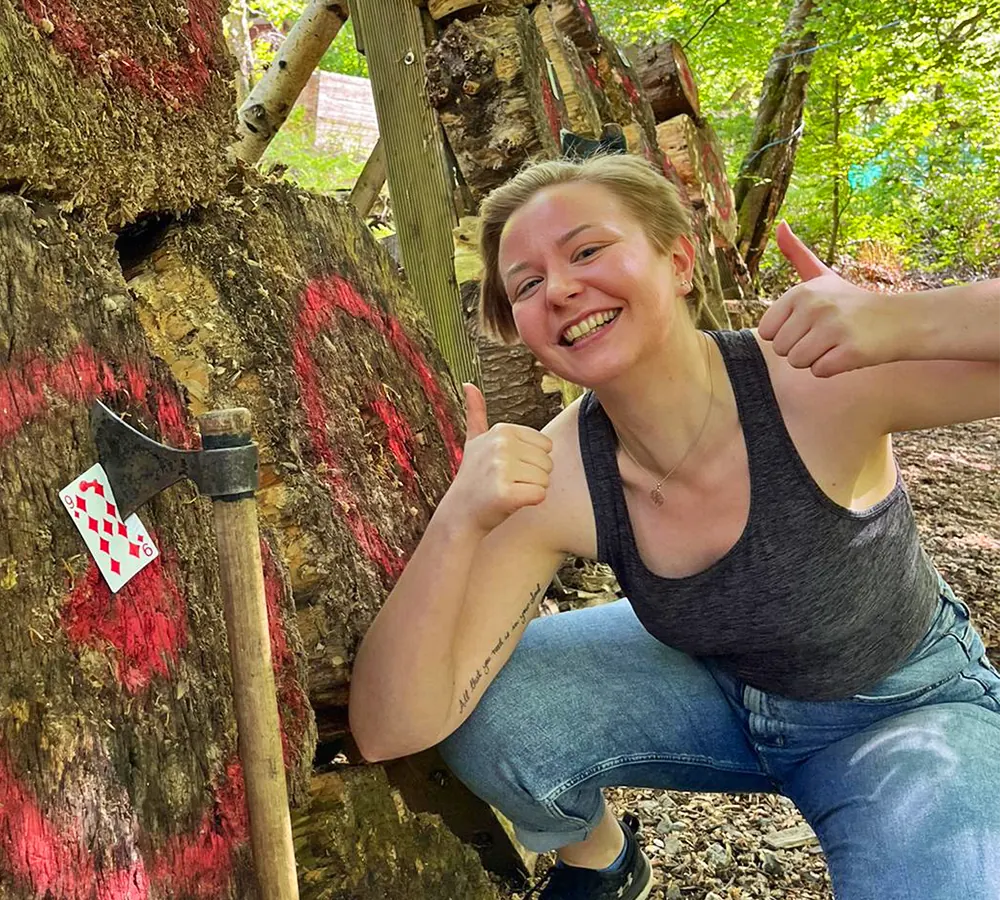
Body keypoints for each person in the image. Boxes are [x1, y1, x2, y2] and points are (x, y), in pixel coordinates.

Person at [347, 153, 1000, 900]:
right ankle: (602, 863)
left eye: (587, 250)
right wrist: (457, 522)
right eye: (526, 284)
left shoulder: (814, 381)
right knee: (487, 709)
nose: (559, 288)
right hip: (720, 691)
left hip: (905, 710)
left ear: (680, 260)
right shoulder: (560, 474)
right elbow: (390, 727)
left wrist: (907, 318)